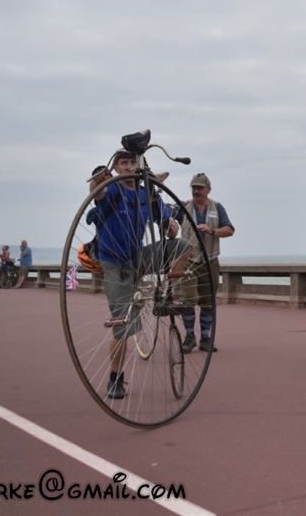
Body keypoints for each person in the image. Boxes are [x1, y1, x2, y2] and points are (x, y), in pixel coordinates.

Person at [89, 150, 189, 399]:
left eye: (133, 162)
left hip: (137, 258)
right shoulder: (112, 189)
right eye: (123, 163)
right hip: (114, 262)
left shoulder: (147, 194)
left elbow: (169, 231)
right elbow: (97, 192)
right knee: (123, 326)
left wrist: (171, 227)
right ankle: (115, 378)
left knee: (183, 246)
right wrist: (99, 180)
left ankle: (167, 295)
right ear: (116, 167)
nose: (128, 166)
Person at [174, 173, 234, 354]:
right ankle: (189, 337)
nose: (196, 191)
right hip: (188, 260)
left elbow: (230, 230)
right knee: (188, 300)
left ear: (208, 189)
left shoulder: (217, 207)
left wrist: (212, 230)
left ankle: (206, 338)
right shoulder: (183, 207)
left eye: (200, 188)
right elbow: (167, 223)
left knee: (208, 301)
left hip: (210, 260)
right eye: (194, 187)